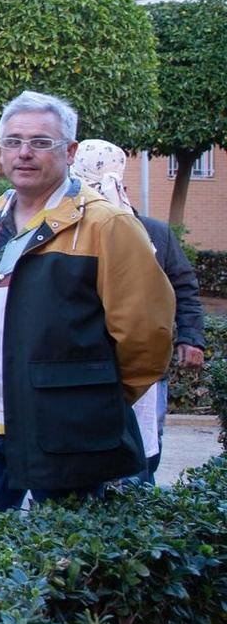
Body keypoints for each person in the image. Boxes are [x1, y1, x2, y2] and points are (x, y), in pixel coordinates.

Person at [0, 95, 175, 512]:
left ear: (70, 151)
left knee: (62, 565)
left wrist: (89, 398)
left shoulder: (108, 226)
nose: (24, 153)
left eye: (40, 142)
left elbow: (146, 337)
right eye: (13, 142)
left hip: (64, 430)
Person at [68, 140, 205, 486]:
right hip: (80, 366)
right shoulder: (64, 232)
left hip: (141, 369)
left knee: (142, 451)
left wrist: (191, 337)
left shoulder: (155, 234)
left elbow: (183, 288)